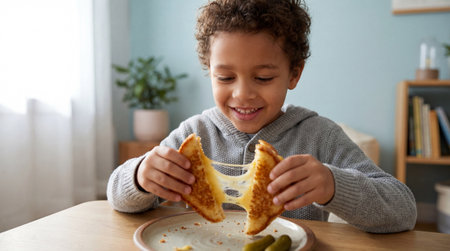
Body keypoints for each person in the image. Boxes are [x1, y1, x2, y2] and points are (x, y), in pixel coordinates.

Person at [107, 0, 417, 233]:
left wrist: (333, 185)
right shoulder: (194, 133)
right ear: (209, 72)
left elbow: (403, 209)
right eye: (225, 78)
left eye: (264, 78)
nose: (242, 94)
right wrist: (140, 177)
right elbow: (117, 196)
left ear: (293, 73)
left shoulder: (320, 136)